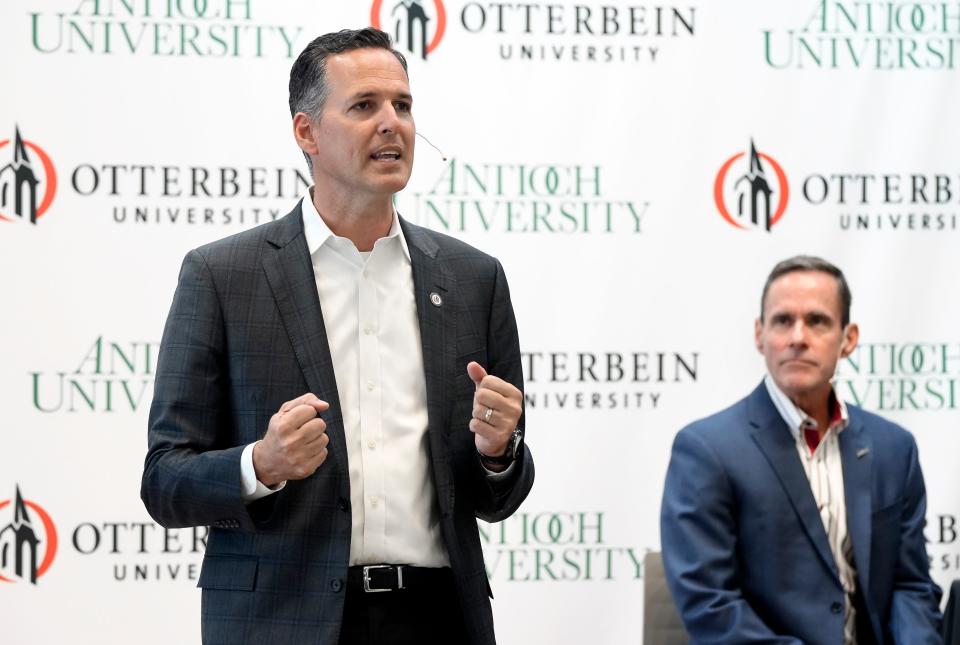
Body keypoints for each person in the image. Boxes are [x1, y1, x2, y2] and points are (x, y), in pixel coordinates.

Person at [141, 28, 533, 645]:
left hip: (437, 619)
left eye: (402, 106)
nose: (392, 124)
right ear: (306, 133)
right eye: (364, 106)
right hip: (283, 621)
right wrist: (260, 466)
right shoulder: (223, 276)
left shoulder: (472, 279)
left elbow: (498, 495)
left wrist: (498, 451)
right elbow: (165, 480)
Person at [660, 255, 942, 644]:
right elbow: (711, 605)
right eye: (781, 321)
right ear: (760, 335)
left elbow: (911, 586)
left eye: (817, 320)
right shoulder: (707, 450)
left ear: (848, 339)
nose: (797, 337)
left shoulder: (894, 448)